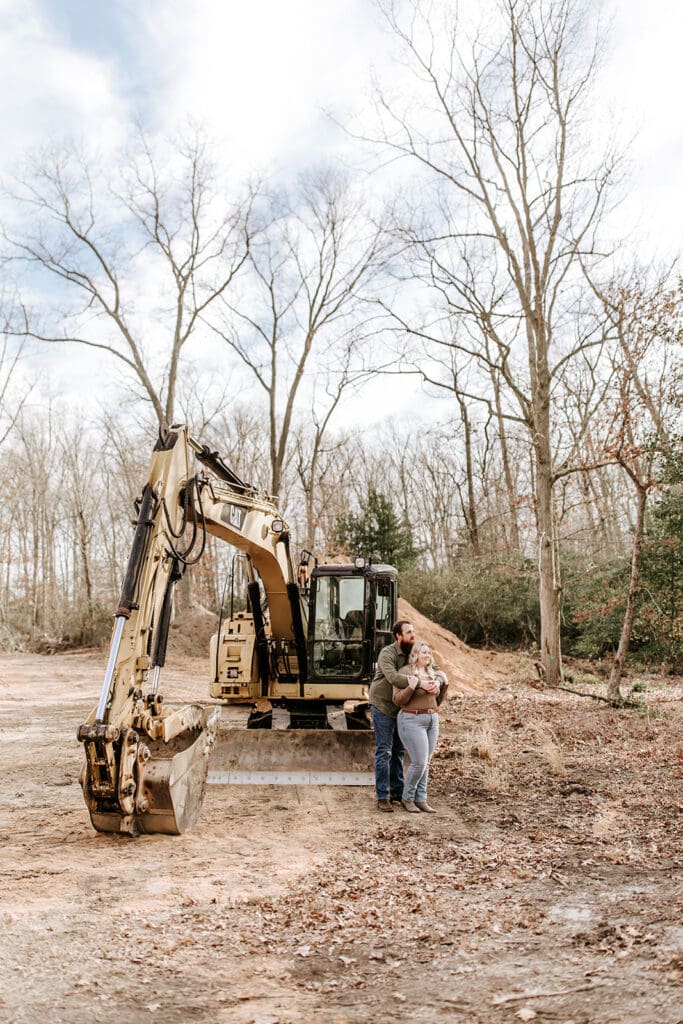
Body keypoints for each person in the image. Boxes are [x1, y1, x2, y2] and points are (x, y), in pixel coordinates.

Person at [368, 620, 439, 812]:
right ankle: (383, 795)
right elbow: (393, 677)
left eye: (413, 631)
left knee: (399, 751)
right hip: (383, 706)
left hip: (402, 709)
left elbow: (434, 667)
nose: (412, 635)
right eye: (408, 632)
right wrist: (419, 684)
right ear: (398, 636)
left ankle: (398, 792)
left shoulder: (413, 650)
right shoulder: (387, 653)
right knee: (385, 750)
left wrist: (438, 680)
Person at [393, 640, 448, 813]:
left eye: (429, 653)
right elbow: (397, 700)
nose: (428, 655)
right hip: (412, 719)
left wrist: (439, 685)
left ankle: (421, 799)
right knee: (419, 762)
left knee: (427, 762)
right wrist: (411, 687)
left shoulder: (432, 672)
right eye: (424, 652)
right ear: (415, 655)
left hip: (432, 719)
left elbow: (441, 689)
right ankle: (407, 798)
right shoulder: (405, 672)